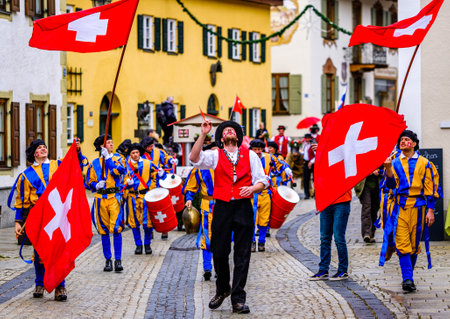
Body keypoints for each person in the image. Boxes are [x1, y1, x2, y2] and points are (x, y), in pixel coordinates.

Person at [189, 119, 268, 314]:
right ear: (221, 138)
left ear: (238, 136)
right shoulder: (215, 155)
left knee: (242, 254)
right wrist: (203, 134)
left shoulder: (250, 155)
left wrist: (252, 188)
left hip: (243, 206)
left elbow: (263, 180)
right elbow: (194, 158)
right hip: (223, 206)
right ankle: (223, 288)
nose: (229, 132)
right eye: (226, 130)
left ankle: (238, 299)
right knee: (219, 251)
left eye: (233, 130)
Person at [9, 138, 88, 301]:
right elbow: (21, 201)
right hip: (39, 217)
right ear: (34, 153)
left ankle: (60, 286)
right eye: (40, 147)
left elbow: (75, 166)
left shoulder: (58, 165)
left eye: (45, 146)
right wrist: (18, 222)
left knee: (59, 251)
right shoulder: (26, 175)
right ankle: (39, 283)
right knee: (39, 252)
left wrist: (77, 150)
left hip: (58, 215)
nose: (44, 149)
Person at [381, 130, 441, 292]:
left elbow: (431, 188)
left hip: (418, 208)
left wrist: (430, 210)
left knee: (414, 244)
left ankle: (409, 275)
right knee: (402, 242)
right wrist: (387, 169)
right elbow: (390, 186)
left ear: (414, 144)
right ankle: (407, 279)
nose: (403, 141)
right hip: (399, 208)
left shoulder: (425, 163)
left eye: (406, 139)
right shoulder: (393, 162)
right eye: (401, 139)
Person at [86, 135, 126, 273]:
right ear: (101, 147)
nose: (111, 144)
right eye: (108, 143)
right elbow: (88, 182)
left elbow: (118, 171)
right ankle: (108, 260)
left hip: (114, 196)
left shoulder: (118, 159)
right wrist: (96, 184)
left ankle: (118, 260)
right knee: (103, 230)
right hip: (100, 198)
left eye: (111, 142)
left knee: (116, 228)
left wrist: (108, 158)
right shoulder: (94, 163)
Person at [183, 141, 218, 281]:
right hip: (207, 204)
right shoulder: (200, 168)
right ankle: (207, 268)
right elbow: (192, 185)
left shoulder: (226, 165)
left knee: (222, 237)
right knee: (208, 237)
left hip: (224, 204)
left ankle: (220, 268)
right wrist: (189, 197)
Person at [249, 139, 291, 252]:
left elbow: (281, 164)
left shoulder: (269, 157)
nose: (257, 152)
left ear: (263, 149)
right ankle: (252, 242)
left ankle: (262, 242)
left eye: (259, 149)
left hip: (266, 193)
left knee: (264, 219)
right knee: (251, 220)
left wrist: (286, 169)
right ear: (251, 149)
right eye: (255, 149)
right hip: (252, 194)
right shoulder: (247, 158)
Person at [310, 190, 352, 281]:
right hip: (326, 201)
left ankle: (343, 270)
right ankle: (323, 270)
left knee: (338, 237)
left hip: (342, 200)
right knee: (324, 237)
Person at [123, 143, 154, 255]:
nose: (135, 155)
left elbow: (157, 174)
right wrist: (126, 182)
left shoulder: (148, 163)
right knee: (134, 222)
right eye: (133, 153)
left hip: (145, 196)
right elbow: (123, 179)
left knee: (148, 222)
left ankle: (147, 244)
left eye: (137, 152)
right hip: (132, 197)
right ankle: (138, 245)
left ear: (140, 153)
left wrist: (155, 184)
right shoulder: (126, 166)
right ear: (130, 155)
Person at [354, 168, 382, 243]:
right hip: (364, 185)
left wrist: (380, 171)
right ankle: (367, 233)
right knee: (367, 207)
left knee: (374, 209)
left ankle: (371, 233)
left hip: (378, 185)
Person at [300, 133, 315, 199]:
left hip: (313, 163)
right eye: (306, 138)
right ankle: (307, 194)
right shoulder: (304, 145)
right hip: (306, 163)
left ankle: (315, 193)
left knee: (314, 179)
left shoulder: (313, 145)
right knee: (306, 179)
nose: (307, 139)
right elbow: (303, 153)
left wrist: (311, 162)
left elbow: (316, 154)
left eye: (308, 138)